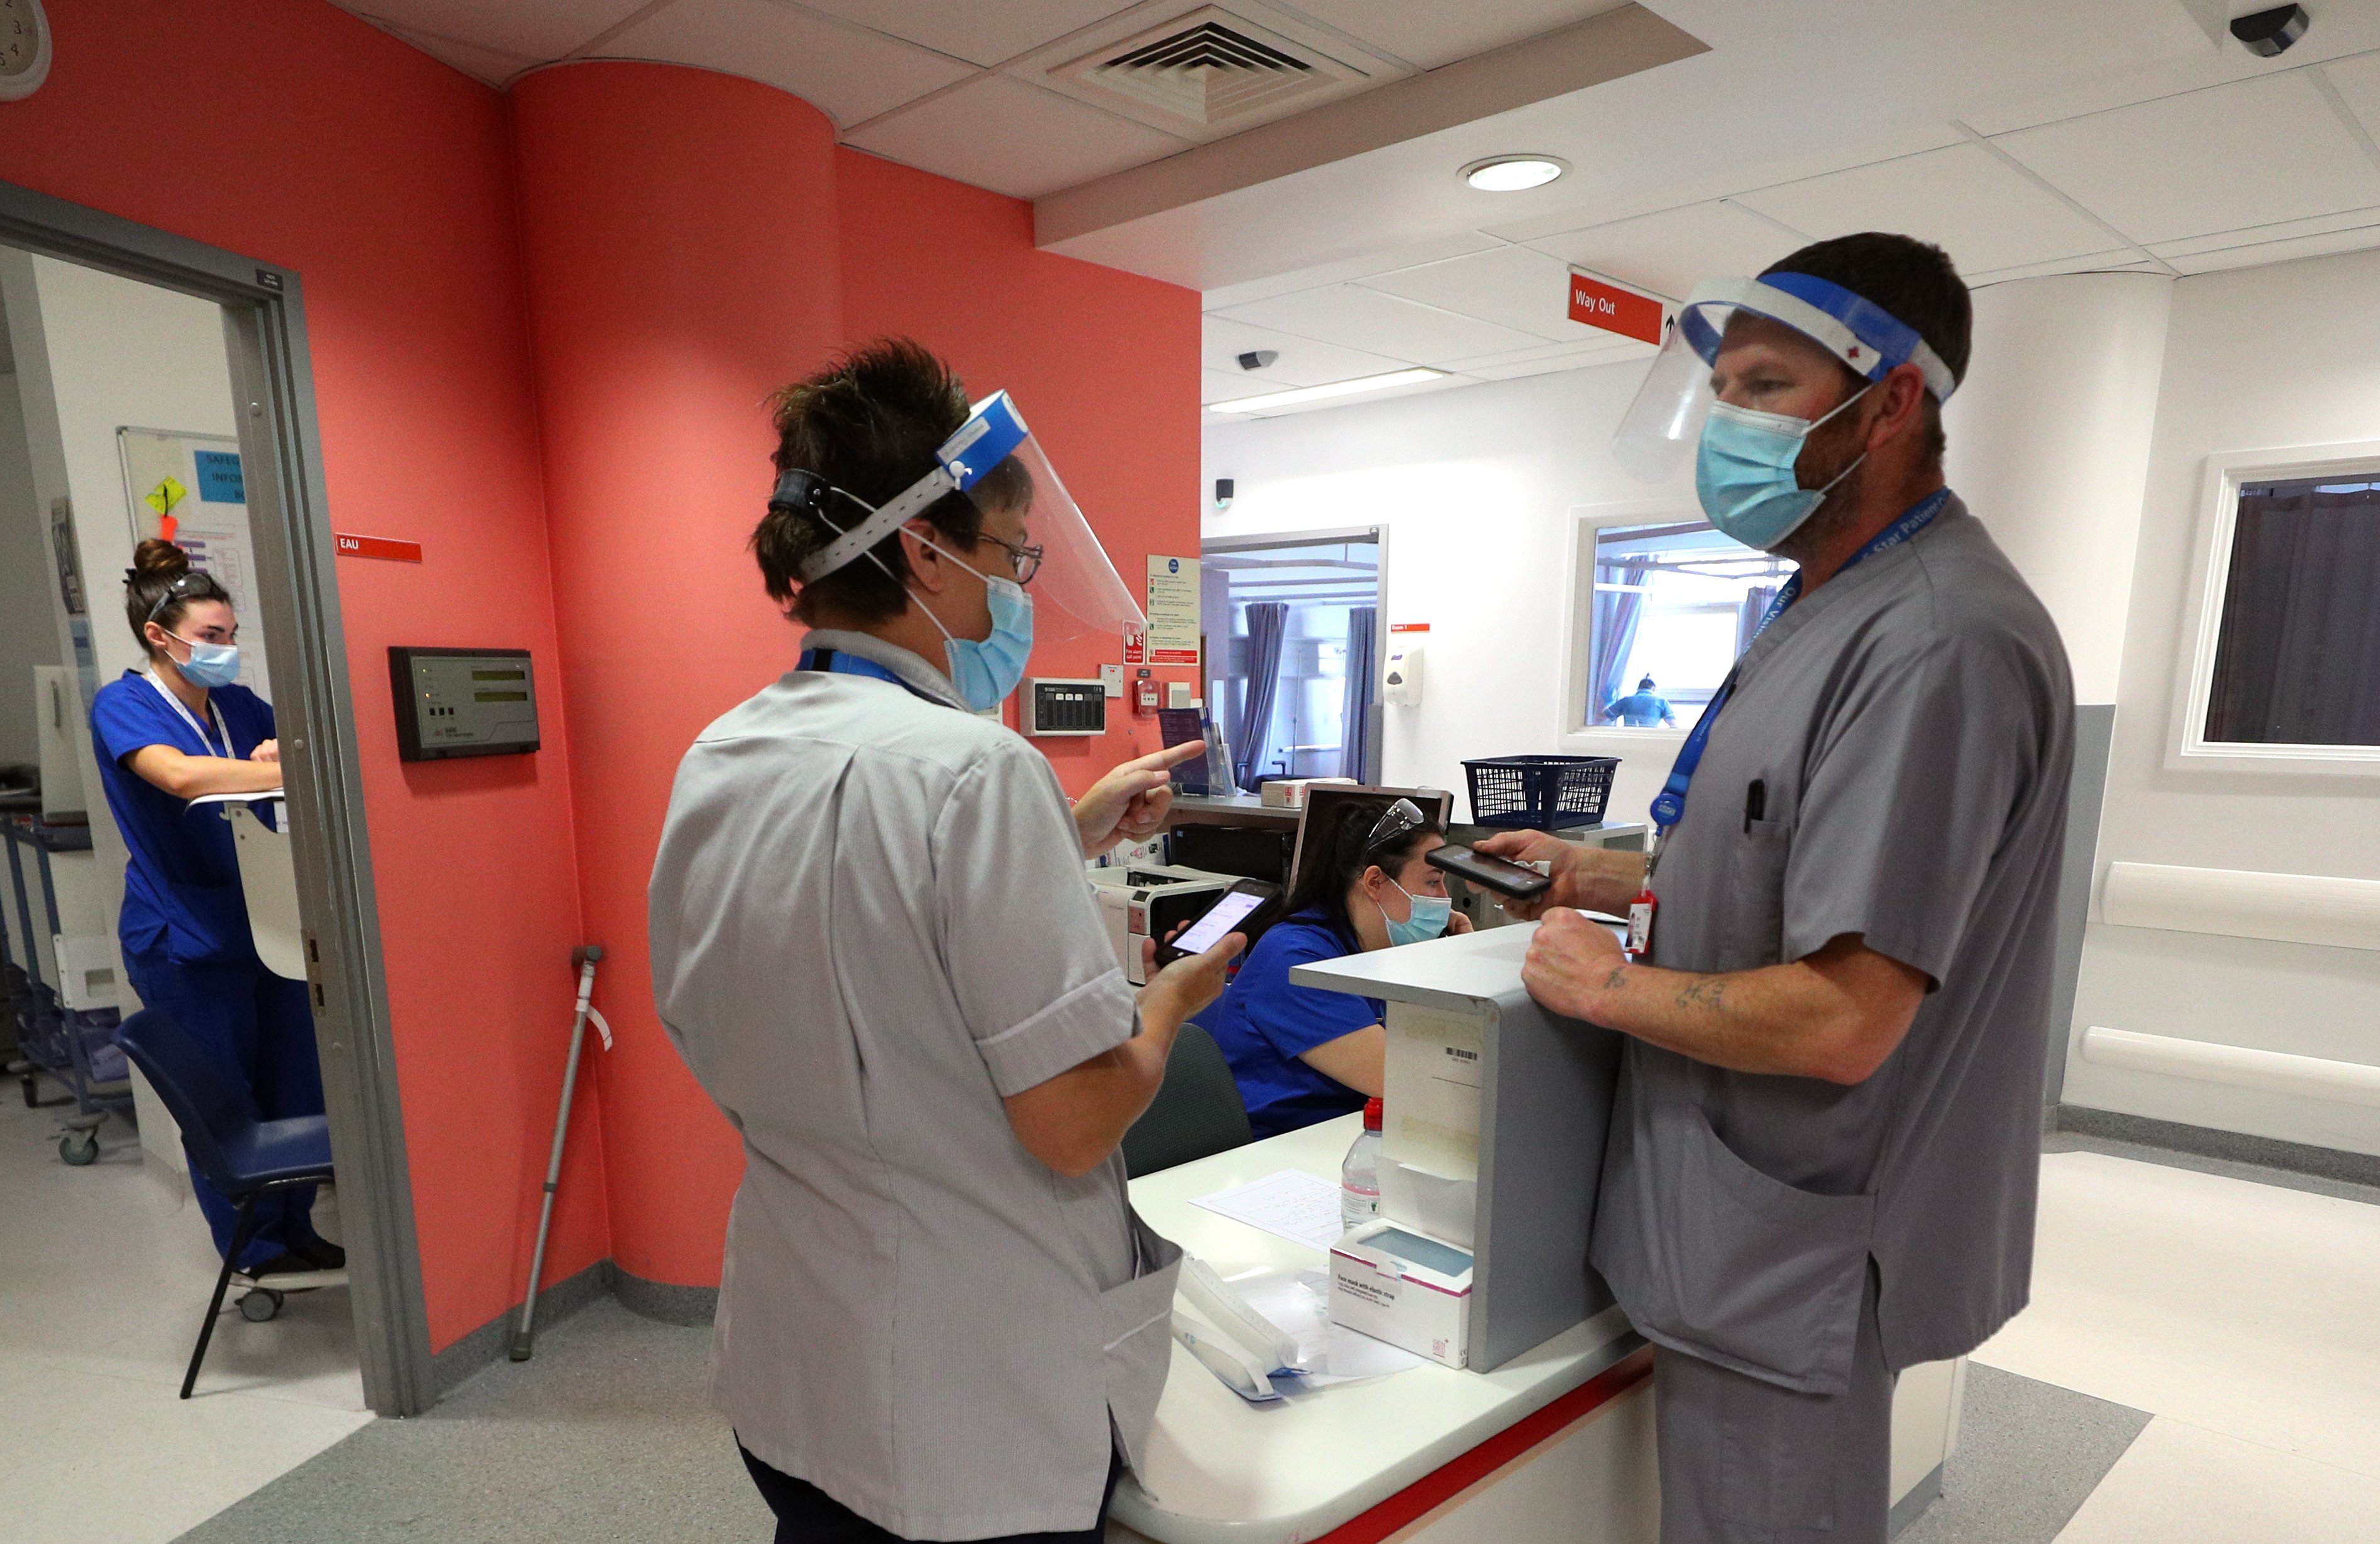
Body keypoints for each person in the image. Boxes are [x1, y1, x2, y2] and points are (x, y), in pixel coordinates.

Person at [1486, 233, 2073, 1543]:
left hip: (1795, 1244)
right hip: (1729, 1227)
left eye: (1763, 387)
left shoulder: (1935, 639)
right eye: (1726, 390)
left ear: (1894, 400)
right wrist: (1610, 871)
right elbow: (1780, 859)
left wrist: (1608, 979)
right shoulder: (1822, 602)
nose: (1728, 424)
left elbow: (1842, 1015)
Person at [648, 339, 1238, 1544]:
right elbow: (1072, 1122)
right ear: (922, 548)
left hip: (793, 1354)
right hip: (962, 1402)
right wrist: (1173, 997)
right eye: (1011, 558)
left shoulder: (726, 753)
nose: (1015, 594)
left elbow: (846, 928)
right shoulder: (974, 773)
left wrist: (1061, 832)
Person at [91, 540, 337, 1278]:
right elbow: (180, 774)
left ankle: (297, 1228)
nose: (225, 651)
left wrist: (278, 755)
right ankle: (254, 1253)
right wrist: (273, 764)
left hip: (268, 920)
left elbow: (294, 744)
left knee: (296, 1084)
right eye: (210, 637)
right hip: (184, 935)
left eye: (230, 636)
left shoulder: (233, 701)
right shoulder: (124, 703)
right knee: (227, 1101)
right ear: (158, 636)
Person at [1201, 797, 1469, 1138]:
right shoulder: (1295, 959)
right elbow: (1409, 1081)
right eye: (1433, 881)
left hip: (1341, 1135)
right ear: (1375, 882)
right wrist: (1461, 968)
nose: (1444, 899)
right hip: (1276, 1153)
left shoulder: (1373, 951)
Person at [1602, 675, 1678, 727]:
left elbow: (1602, 717)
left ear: (1638, 688)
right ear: (1654, 689)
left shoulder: (1626, 701)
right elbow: (1673, 725)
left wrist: (1610, 702)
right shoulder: (1662, 701)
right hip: (1651, 740)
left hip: (1629, 738)